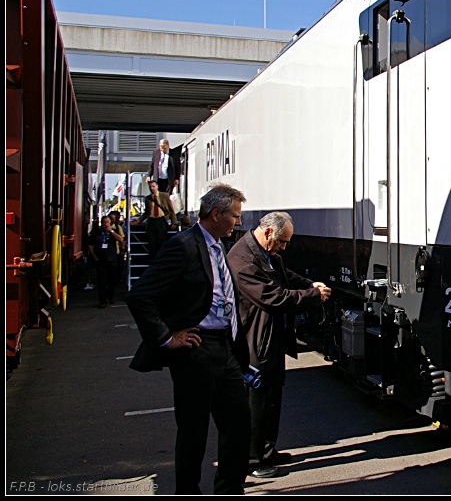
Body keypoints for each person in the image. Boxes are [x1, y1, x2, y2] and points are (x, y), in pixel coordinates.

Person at [125, 183, 250, 494]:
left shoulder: (219, 247)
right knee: (193, 432)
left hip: (226, 348)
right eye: (234, 216)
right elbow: (140, 296)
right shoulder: (182, 246)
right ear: (216, 213)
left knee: (238, 426)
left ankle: (230, 490)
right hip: (196, 351)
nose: (238, 223)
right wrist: (166, 338)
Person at [228, 211, 331, 478]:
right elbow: (272, 297)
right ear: (269, 232)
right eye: (283, 242)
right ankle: (253, 460)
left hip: (269, 338)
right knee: (257, 401)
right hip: (255, 341)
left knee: (271, 399)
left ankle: (266, 449)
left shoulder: (264, 253)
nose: (284, 247)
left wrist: (309, 283)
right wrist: (312, 295)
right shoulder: (243, 259)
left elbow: (285, 276)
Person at [87, 215, 124, 308]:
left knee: (113, 280)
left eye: (107, 223)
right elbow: (90, 244)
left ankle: (110, 296)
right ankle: (102, 301)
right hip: (101, 260)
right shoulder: (96, 231)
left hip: (112, 259)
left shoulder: (113, 231)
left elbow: (120, 239)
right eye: (103, 222)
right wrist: (95, 257)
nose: (105, 224)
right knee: (101, 281)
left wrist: (110, 231)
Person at [138, 180, 176, 261]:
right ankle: (153, 262)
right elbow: (146, 213)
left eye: (153, 186)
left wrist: (174, 222)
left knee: (161, 242)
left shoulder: (164, 196)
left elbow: (171, 209)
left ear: (157, 186)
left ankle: (161, 260)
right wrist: (139, 220)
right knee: (152, 244)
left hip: (161, 220)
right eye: (150, 187)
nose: (152, 188)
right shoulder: (148, 198)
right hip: (151, 221)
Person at [108, 210, 127, 289]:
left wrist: (123, 249)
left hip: (117, 251)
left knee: (119, 267)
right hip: (108, 252)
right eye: (110, 218)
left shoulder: (118, 227)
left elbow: (121, 239)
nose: (112, 220)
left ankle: (118, 280)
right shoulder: (102, 228)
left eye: (113, 218)